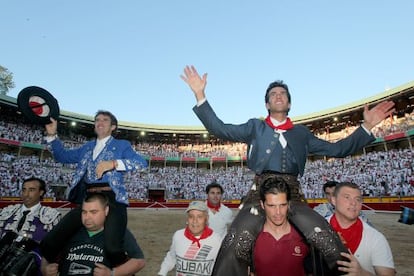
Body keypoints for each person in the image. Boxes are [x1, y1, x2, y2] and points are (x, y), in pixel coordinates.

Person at [181, 65, 395, 275]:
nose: (278, 95)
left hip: (292, 195)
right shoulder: (255, 127)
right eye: (273, 94)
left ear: (289, 102)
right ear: (267, 103)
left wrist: (366, 128)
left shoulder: (301, 133)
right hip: (259, 194)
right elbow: (220, 128)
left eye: (283, 93)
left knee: (325, 237)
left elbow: (337, 149)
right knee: (237, 238)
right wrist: (200, 95)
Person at [40, 110, 148, 267]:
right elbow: (62, 156)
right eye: (97, 119)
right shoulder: (87, 147)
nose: (100, 122)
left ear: (113, 127)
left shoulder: (122, 145)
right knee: (50, 241)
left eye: (105, 120)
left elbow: (141, 163)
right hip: (88, 199)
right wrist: (51, 135)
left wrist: (114, 163)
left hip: (111, 199)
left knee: (113, 248)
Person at [41, 193, 145, 276]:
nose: (87, 217)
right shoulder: (69, 230)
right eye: (84, 212)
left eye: (93, 212)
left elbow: (139, 261)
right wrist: (45, 269)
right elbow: (47, 255)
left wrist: (112, 273)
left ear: (106, 211)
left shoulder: (118, 232)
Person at [329, 182, 396, 275]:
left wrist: (362, 273)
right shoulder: (317, 228)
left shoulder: (376, 238)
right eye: (347, 197)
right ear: (333, 200)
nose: (353, 203)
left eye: (358, 199)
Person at [0, 177, 61, 275]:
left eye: (31, 190)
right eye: (24, 190)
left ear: (41, 192)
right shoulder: (6, 212)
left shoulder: (51, 216)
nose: (26, 194)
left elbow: (56, 249)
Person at [252, 174, 309, 276]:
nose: (278, 212)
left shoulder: (305, 235)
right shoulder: (252, 238)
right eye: (271, 206)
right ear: (262, 205)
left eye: (282, 205)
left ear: (288, 204)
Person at [158, 201, 222, 276]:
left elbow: (224, 267)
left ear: (206, 219)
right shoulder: (178, 236)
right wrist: (162, 273)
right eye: (191, 217)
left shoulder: (217, 240)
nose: (195, 221)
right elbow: (171, 257)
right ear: (187, 219)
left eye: (199, 217)